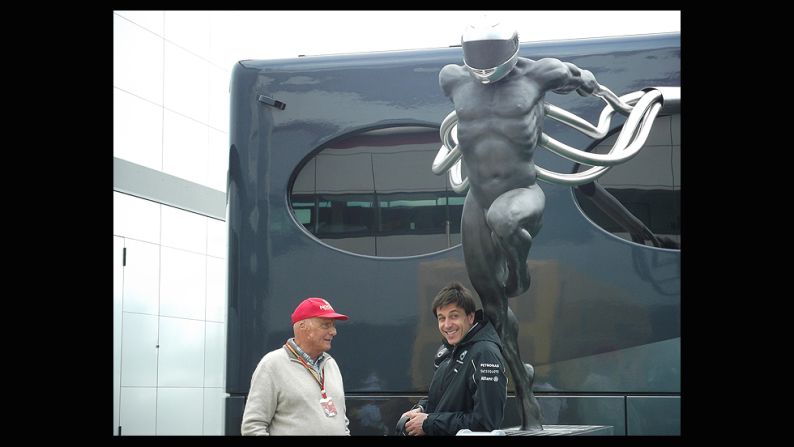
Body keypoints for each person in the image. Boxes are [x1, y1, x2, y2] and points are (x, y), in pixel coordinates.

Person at [437, 18, 601, 430]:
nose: (484, 66)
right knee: (492, 309)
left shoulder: (541, 73)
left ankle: (520, 273)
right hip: (478, 198)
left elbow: (582, 79)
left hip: (523, 193)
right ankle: (526, 394)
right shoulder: (453, 79)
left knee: (504, 221)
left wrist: (592, 85)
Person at [399, 282, 507, 436]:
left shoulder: (484, 353)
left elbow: (485, 423)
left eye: (454, 316)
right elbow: (442, 403)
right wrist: (421, 409)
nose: (447, 325)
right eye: (441, 318)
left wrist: (428, 423)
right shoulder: (446, 352)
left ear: (470, 317)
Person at [241, 297, 351, 435]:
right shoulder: (272, 364)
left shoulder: (331, 364)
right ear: (302, 327)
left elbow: (341, 420)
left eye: (333, 325)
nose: (333, 331)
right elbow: (253, 427)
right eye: (326, 325)